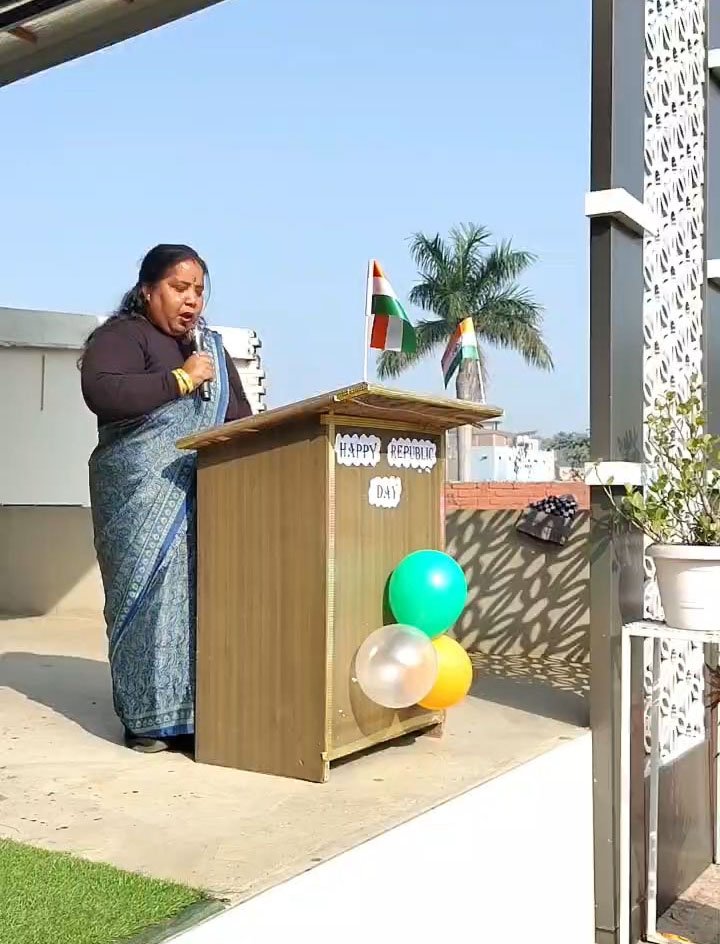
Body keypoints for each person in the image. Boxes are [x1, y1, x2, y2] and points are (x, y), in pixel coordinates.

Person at [80, 244, 252, 754]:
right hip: (138, 497)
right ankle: (145, 719)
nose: (192, 300)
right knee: (148, 602)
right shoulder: (123, 336)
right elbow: (103, 391)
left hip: (202, 498)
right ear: (147, 290)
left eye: (198, 290)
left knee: (198, 602)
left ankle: (195, 713)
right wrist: (182, 379)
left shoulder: (210, 350)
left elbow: (240, 416)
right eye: (179, 288)